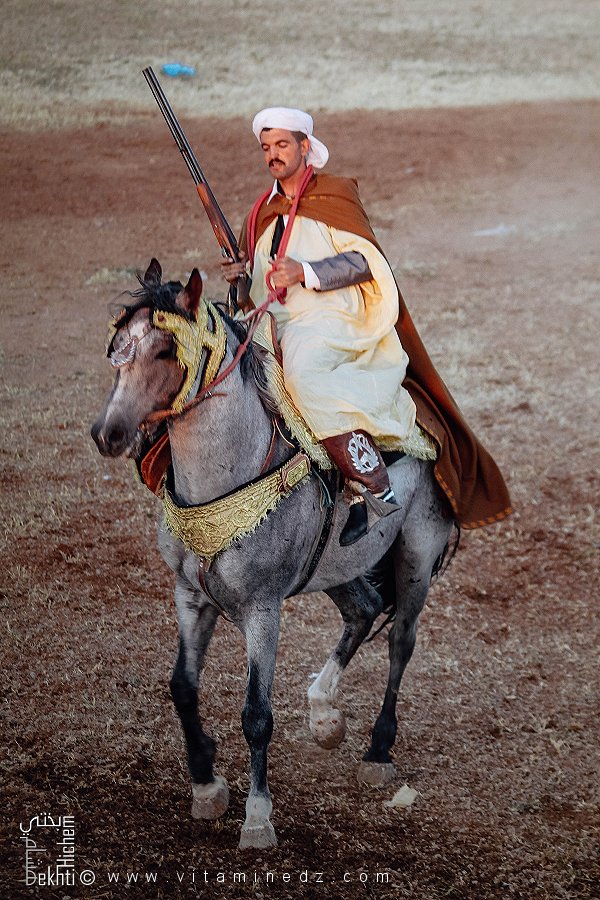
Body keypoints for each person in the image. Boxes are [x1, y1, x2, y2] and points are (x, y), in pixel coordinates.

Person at [222, 107, 512, 544]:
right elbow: (257, 287)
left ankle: (375, 486)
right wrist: (239, 278)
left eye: (282, 145)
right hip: (272, 322)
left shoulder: (335, 194)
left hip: (331, 318)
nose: (273, 155)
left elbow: (364, 263)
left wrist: (305, 271)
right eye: (266, 147)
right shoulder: (260, 211)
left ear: (305, 145)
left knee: (303, 374)